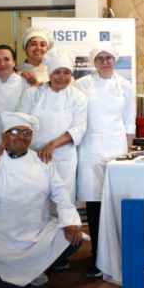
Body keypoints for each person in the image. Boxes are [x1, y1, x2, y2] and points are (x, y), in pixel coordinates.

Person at [0, 112, 84, 288]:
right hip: (4, 244)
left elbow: (62, 194)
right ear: (4, 137)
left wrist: (70, 222)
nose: (21, 137)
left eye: (27, 133)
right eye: (15, 131)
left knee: (75, 239)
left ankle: (34, 268)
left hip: (37, 237)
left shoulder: (43, 162)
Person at [75, 42, 135, 279]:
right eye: (100, 58)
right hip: (90, 148)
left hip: (117, 149)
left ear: (115, 59)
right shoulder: (81, 85)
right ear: (93, 61)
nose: (105, 62)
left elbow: (129, 121)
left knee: (116, 203)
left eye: (108, 57)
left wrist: (127, 151)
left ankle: (120, 253)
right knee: (94, 204)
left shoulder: (125, 86)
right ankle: (98, 257)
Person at [17, 49, 87, 202]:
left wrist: (52, 145)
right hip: (34, 156)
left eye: (66, 72)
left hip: (64, 158)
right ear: (50, 73)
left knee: (62, 202)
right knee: (36, 203)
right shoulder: (32, 93)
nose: (62, 77)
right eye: (57, 72)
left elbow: (78, 129)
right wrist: (30, 151)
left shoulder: (78, 97)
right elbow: (20, 124)